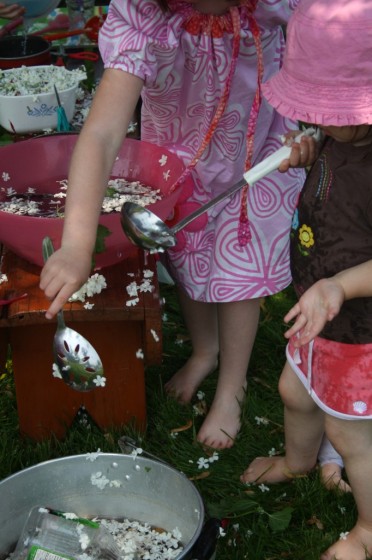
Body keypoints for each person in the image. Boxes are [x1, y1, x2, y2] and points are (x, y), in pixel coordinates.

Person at [39, 0, 311, 449]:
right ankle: (206, 349)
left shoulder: (274, 5)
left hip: (261, 149)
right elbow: (104, 134)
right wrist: (76, 243)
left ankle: (232, 388)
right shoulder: (145, 14)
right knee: (184, 249)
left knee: (240, 269)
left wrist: (312, 118)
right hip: (181, 159)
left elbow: (322, 47)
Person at [241, 0, 372, 558]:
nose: (320, 118)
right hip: (318, 310)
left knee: (350, 436)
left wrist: (342, 286)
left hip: (358, 328)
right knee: (294, 389)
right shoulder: (342, 138)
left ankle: (367, 532)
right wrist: (313, 151)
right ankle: (298, 464)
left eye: (331, 110)